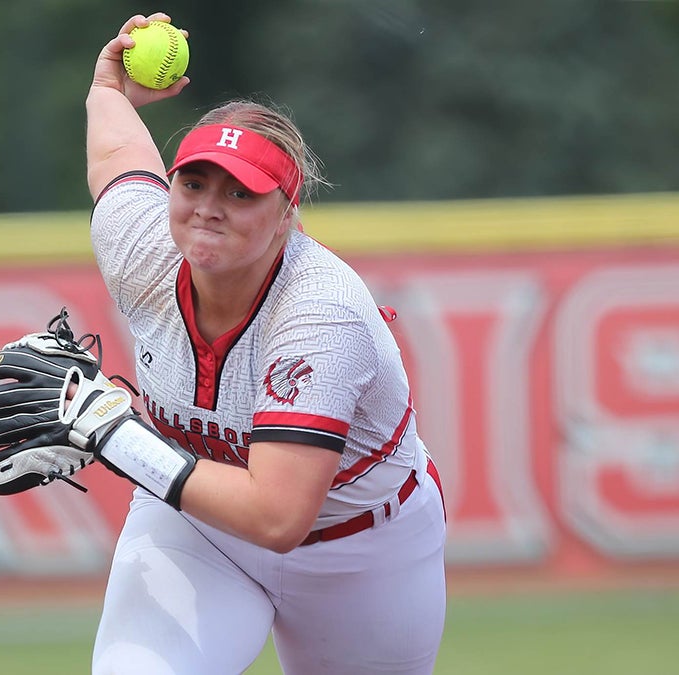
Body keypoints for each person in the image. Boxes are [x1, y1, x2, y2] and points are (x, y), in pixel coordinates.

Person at [83, 12, 447, 675]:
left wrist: (116, 436)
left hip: (359, 552)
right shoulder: (141, 243)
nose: (207, 205)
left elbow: (278, 515)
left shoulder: (321, 310)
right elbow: (115, 153)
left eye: (240, 191)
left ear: (287, 214)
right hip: (196, 529)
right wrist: (109, 89)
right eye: (193, 181)